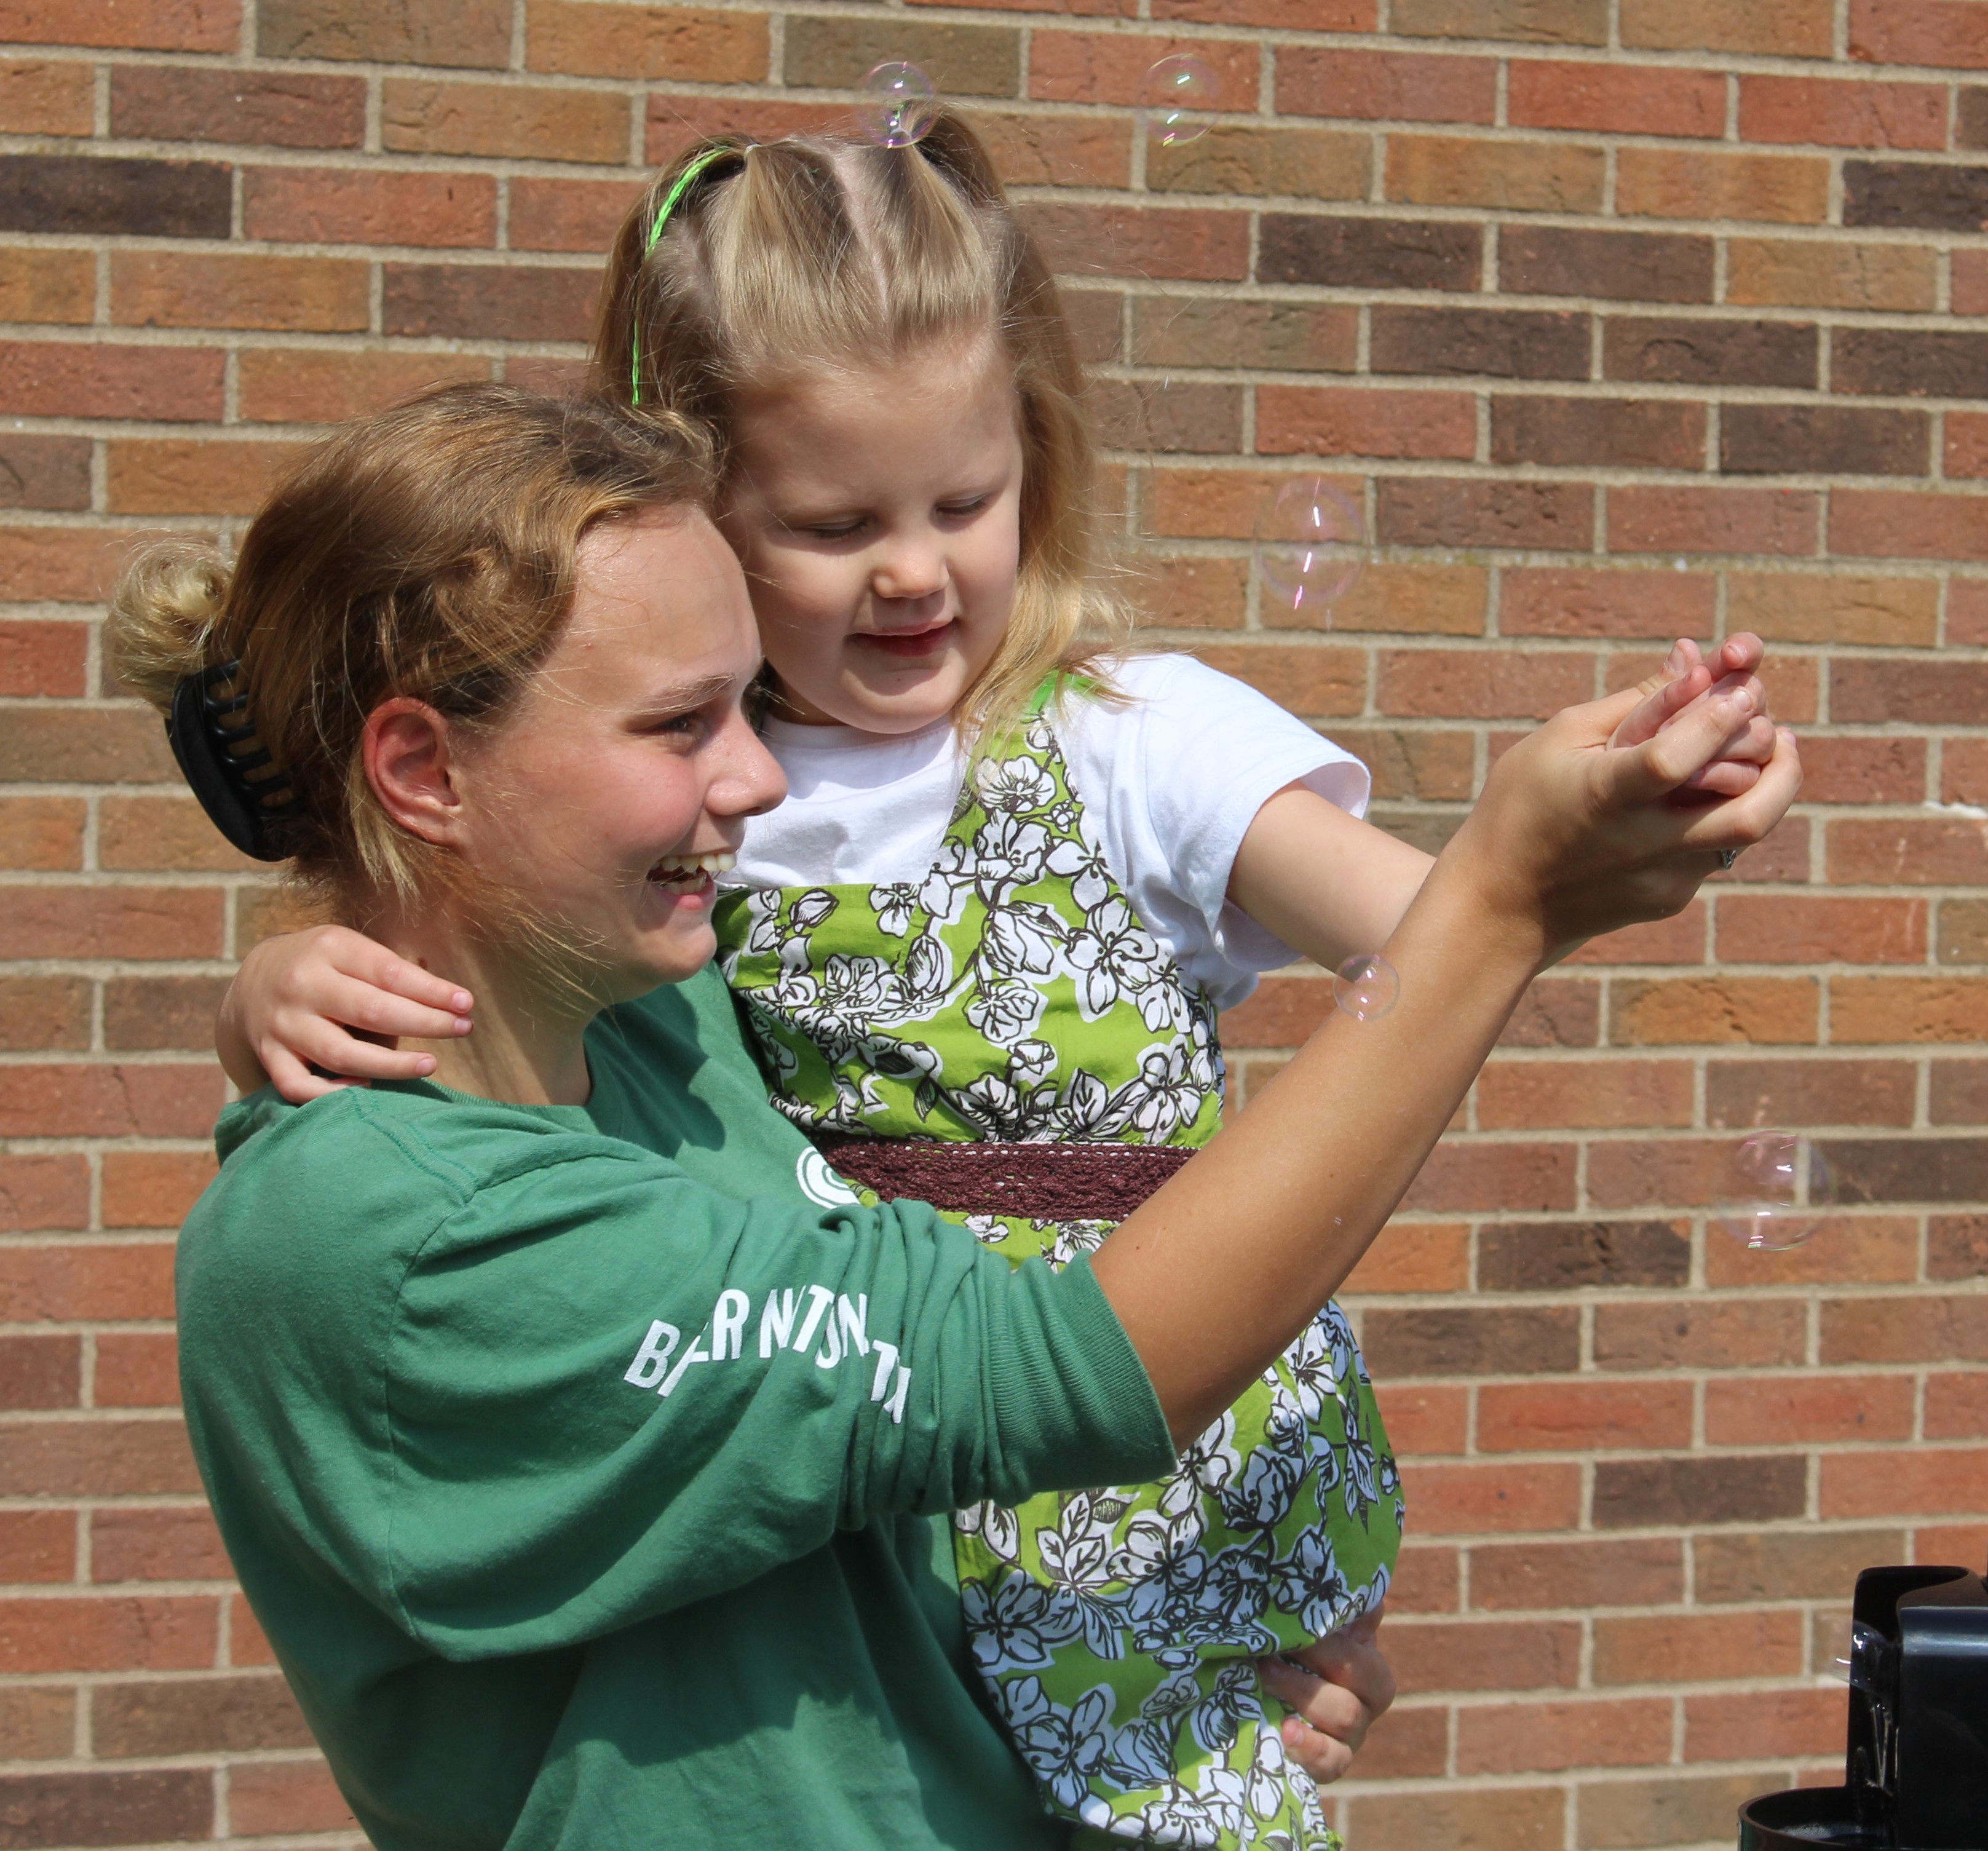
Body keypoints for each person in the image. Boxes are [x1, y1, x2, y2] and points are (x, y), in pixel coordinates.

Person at [213, 118, 1780, 1848]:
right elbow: (1037, 1366)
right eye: (683, 719)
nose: (749, 786)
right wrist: (290, 964)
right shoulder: (470, 1172)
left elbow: (1406, 931)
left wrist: (1553, 867)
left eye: (962, 501)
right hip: (1027, 1422)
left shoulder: (762, 949)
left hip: (1140, 1490)